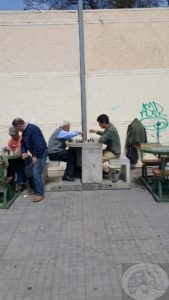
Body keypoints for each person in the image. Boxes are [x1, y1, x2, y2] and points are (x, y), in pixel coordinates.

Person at [12, 118, 47, 202]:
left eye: (17, 128)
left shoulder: (32, 129)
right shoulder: (24, 132)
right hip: (36, 153)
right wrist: (23, 152)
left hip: (41, 153)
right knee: (31, 172)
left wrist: (35, 155)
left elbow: (40, 144)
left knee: (36, 172)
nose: (17, 131)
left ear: (20, 125)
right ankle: (36, 190)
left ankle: (40, 194)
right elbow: (23, 144)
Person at [89, 114, 121, 182]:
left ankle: (113, 172)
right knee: (94, 156)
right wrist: (96, 131)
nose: (99, 125)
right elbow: (105, 133)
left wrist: (96, 138)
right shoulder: (109, 126)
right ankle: (100, 172)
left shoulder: (110, 130)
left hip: (114, 152)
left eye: (99, 123)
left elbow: (101, 140)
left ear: (103, 122)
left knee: (96, 161)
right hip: (109, 150)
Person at [4, 126, 26, 192]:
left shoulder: (22, 139)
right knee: (8, 164)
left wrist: (12, 150)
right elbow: (9, 149)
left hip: (21, 159)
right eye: (11, 135)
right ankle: (10, 179)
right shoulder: (11, 141)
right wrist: (7, 149)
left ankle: (20, 183)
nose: (12, 137)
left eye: (13, 135)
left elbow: (19, 151)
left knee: (18, 165)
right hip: (13, 160)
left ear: (17, 133)